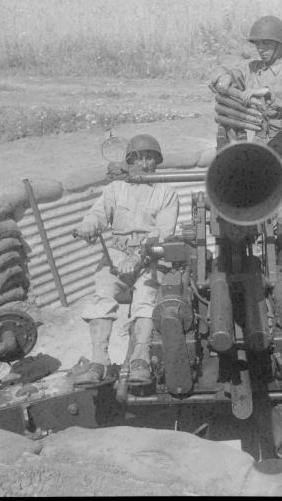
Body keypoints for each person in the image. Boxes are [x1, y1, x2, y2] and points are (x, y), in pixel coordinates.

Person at [73, 134, 179, 385]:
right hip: (117, 256)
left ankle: (140, 360)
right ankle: (99, 362)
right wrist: (88, 226)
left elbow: (164, 232)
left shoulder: (166, 193)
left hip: (151, 257)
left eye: (150, 159)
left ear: (157, 162)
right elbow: (98, 214)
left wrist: (139, 256)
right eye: (139, 158)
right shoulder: (115, 189)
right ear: (129, 161)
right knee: (102, 294)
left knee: (146, 298)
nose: (144, 165)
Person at [210, 15, 282, 218]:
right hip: (260, 147)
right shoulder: (253, 68)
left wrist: (266, 91)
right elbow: (224, 70)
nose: (260, 48)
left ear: (279, 44)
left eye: (266, 43)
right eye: (257, 44)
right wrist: (225, 77)